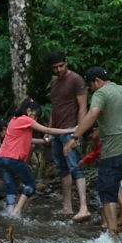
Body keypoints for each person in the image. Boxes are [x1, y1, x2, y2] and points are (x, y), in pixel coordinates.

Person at [64, 67, 122, 234]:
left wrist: (74, 137)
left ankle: (111, 230)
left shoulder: (101, 93)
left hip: (115, 148)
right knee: (112, 182)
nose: (91, 91)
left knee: (106, 188)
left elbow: (92, 114)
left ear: (97, 81)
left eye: (90, 87)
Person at [0, 98, 76, 218]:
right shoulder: (25, 119)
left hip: (2, 158)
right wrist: (71, 130)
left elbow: (28, 140)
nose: (35, 120)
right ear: (29, 111)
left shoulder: (14, 120)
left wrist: (44, 141)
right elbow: (48, 130)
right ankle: (17, 211)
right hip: (14, 158)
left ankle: (9, 211)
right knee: (30, 183)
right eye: (35, 116)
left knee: (11, 188)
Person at [45, 51, 90, 222]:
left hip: (71, 129)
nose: (58, 70)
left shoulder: (76, 80)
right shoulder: (54, 81)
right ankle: (67, 206)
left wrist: (78, 134)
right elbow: (54, 107)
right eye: (55, 68)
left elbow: (83, 108)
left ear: (66, 62)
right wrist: (48, 130)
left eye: (61, 66)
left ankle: (84, 207)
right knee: (62, 169)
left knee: (76, 167)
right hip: (57, 131)